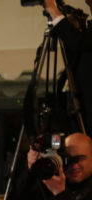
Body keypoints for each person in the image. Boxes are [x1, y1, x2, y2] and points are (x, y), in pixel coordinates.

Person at [43, 0, 92, 134]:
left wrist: (53, 10)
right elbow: (77, 53)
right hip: (81, 122)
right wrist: (76, 29)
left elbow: (77, 42)